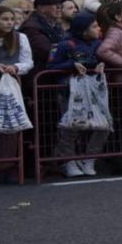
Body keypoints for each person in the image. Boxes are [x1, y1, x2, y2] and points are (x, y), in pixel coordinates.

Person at [46, 11, 110, 178]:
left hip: (95, 92)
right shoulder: (66, 45)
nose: (99, 29)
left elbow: (105, 60)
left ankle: (90, 158)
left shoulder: (98, 44)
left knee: (103, 125)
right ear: (83, 30)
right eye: (94, 26)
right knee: (71, 127)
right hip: (70, 91)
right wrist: (72, 65)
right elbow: (51, 67)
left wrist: (103, 64)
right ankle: (69, 161)